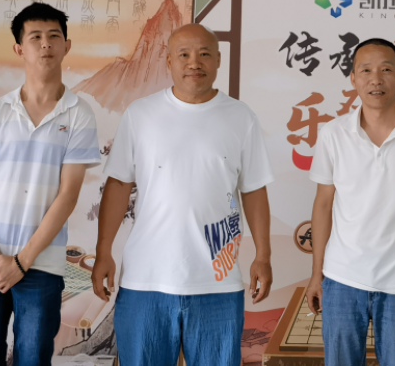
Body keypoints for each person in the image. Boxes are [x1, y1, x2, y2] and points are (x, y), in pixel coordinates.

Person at [92, 23, 274, 366]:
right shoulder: (140, 114)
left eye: (204, 54)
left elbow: (253, 190)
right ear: (168, 61)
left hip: (217, 285)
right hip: (146, 281)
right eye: (184, 54)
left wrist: (263, 255)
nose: (194, 62)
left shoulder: (241, 117)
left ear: (218, 60)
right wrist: (103, 252)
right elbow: (118, 185)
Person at [0, 2, 100, 366]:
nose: (46, 44)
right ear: (19, 48)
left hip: (41, 263)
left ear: (67, 46)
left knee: (33, 358)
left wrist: (22, 262)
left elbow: (68, 195)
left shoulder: (79, 114)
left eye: (54, 35)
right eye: (35, 36)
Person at [305, 37, 395, 366]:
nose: (376, 79)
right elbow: (323, 204)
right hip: (342, 278)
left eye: (386, 70)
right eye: (366, 70)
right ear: (353, 79)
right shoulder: (333, 134)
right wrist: (317, 274)